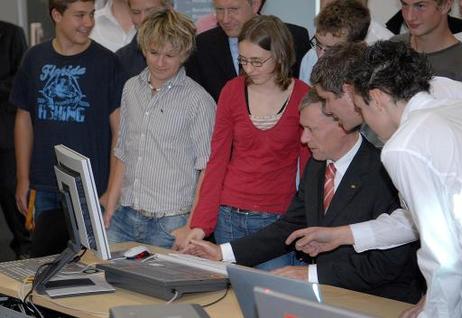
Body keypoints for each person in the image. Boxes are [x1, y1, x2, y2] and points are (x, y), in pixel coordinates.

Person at [183, 91, 422, 303]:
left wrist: (309, 275)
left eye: (311, 129)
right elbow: (292, 225)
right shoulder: (318, 165)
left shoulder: (384, 171)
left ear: (342, 124)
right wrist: (222, 253)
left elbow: (390, 263)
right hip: (330, 297)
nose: (303, 139)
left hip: (382, 302)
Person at [288, 40, 462, 317]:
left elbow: (443, 254)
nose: (365, 120)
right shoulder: (450, 98)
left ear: (378, 98)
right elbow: (421, 219)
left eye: (362, 107)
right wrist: (342, 235)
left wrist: (433, 310)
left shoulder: (404, 146)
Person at [174, 15, 310, 271]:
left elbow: (309, 170)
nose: (249, 69)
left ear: (280, 56)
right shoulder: (232, 91)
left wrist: (307, 223)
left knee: (273, 303)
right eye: (243, 60)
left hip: (276, 222)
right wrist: (201, 224)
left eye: (257, 61)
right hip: (228, 217)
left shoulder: (304, 96)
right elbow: (217, 162)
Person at [10, 0, 125, 257]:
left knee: (90, 267)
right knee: (43, 265)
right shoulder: (34, 58)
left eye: (92, 14)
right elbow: (23, 118)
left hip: (91, 189)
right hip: (44, 185)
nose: (88, 23)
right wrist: (23, 178)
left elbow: (120, 131)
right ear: (56, 15)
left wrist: (111, 190)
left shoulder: (108, 62)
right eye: (80, 15)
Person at [103, 9, 216, 248]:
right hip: (124, 214)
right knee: (108, 279)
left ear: (184, 55)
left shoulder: (199, 100)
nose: (160, 62)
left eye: (170, 55)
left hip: (171, 222)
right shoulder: (131, 88)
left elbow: (207, 170)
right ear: (144, 48)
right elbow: (123, 150)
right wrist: (110, 206)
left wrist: (192, 226)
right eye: (154, 53)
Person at [186, 0, 310, 101]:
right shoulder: (202, 45)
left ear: (255, 4)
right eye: (219, 10)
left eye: (233, 9)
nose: (225, 19)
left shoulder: (295, 38)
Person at [300, 0, 392, 86]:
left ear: (356, 47)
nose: (320, 56)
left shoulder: (381, 61)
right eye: (318, 44)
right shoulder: (310, 58)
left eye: (330, 49)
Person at [0, 20, 31, 259]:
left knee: (13, 194)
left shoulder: (12, 34)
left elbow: (21, 82)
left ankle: (25, 250)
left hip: (6, 133)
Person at [390, 0, 462, 81]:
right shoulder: (393, 47)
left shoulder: (459, 62)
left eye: (420, 6)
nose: (409, 17)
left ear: (445, 6)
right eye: (404, 4)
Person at [116, 0, 172, 78]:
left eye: (150, 11)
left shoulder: (189, 52)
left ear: (169, 8)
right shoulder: (121, 59)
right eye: (136, 12)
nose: (143, 19)